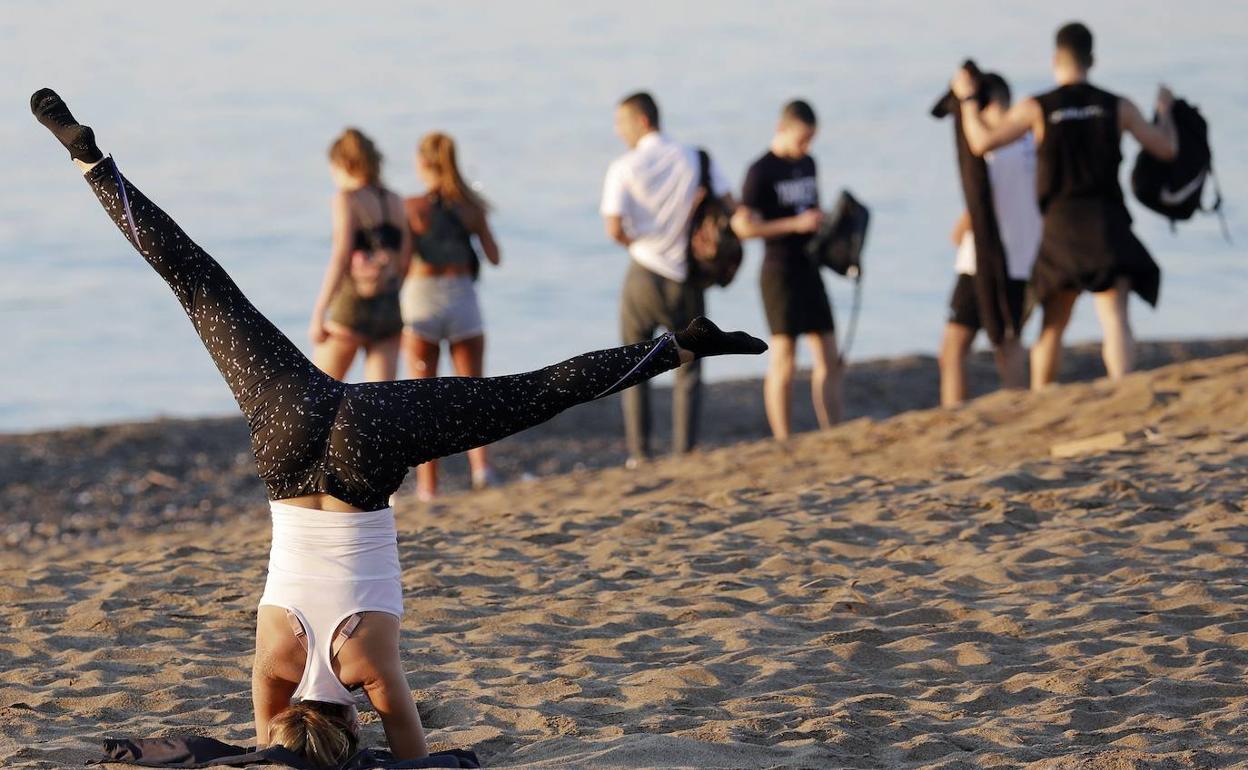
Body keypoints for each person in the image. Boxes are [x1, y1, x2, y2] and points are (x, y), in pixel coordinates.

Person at [32, 88, 766, 767]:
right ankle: (93, 164)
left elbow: (413, 761)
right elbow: (267, 751)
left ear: (353, 726)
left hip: (368, 446)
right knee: (199, 284)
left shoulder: (368, 669)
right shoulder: (276, 666)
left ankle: (674, 346)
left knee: (530, 395)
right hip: (287, 440)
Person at [953, 22, 1177, 387]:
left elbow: (982, 142)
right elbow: (1165, 149)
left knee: (1053, 324)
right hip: (1105, 220)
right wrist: (1164, 111)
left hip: (1059, 225)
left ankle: (1044, 397)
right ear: (1093, 59)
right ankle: (1123, 389)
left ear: (1056, 58)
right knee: (1115, 315)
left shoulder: (1037, 107)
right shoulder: (1116, 105)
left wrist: (965, 100)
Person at [601, 91, 733, 467]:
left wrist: (635, 242)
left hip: (643, 272)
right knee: (689, 365)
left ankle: (640, 452)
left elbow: (613, 227)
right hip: (686, 275)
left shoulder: (624, 166)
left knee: (633, 363)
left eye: (621, 122)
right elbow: (729, 204)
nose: (618, 130)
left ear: (642, 121)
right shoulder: (696, 157)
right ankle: (685, 448)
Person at [731, 100, 841, 440]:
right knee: (785, 357)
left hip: (810, 266)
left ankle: (833, 430)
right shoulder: (760, 171)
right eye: (801, 139)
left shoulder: (808, 163)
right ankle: (783, 437)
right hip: (778, 270)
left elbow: (811, 210)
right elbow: (744, 228)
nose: (805, 147)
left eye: (810, 140)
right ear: (782, 130)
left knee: (829, 352)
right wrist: (794, 224)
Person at [402, 132, 501, 500]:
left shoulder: (410, 207)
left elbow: (401, 262)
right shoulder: (471, 206)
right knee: (473, 390)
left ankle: (429, 487)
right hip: (462, 299)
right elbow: (494, 256)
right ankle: (482, 471)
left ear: (423, 163)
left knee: (423, 397)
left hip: (421, 301)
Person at [940, 74, 1041, 405]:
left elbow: (981, 201)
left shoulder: (996, 146)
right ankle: (1019, 404)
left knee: (954, 347)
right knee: (1008, 340)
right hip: (1024, 257)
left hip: (983, 258)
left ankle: (953, 413)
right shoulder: (1030, 141)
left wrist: (959, 230)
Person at [308, 129, 411, 382]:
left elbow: (341, 256)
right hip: (389, 306)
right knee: (381, 403)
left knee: (316, 392)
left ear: (344, 164)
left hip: (352, 305)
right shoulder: (395, 200)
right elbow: (405, 259)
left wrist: (319, 312)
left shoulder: (346, 199)